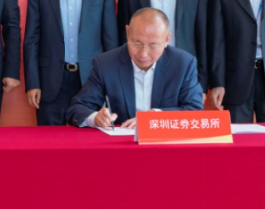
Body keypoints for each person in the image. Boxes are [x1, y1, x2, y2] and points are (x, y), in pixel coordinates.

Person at [24, 0, 118, 126]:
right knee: (49, 140)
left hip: (91, 79)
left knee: (90, 139)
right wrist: (32, 83)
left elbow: (110, 42)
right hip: (50, 81)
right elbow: (32, 40)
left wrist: (110, 84)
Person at [66, 8, 204, 128]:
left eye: (153, 45)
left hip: (166, 144)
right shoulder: (106, 64)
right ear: (127, 32)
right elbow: (77, 108)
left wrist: (154, 117)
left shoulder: (183, 64)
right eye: (137, 43)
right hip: (121, 144)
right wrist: (95, 118)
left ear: (167, 39)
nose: (143, 54)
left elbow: (194, 111)